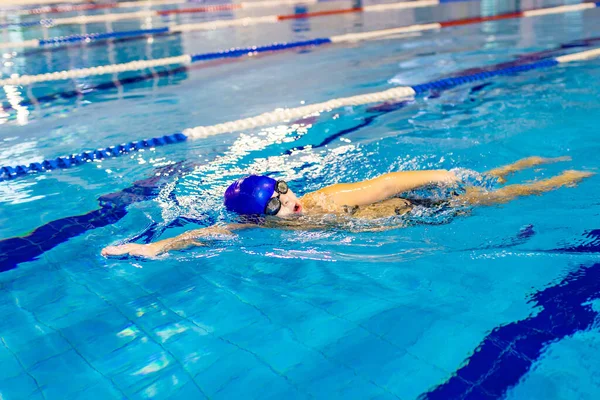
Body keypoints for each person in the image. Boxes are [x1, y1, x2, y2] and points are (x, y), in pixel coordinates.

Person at [102, 156, 593, 258]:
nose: (289, 202)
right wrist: (157, 247)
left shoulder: (325, 200)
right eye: (275, 203)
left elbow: (383, 185)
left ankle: (554, 176)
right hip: (406, 219)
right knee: (491, 191)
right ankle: (526, 167)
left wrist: (441, 177)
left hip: (416, 207)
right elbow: (209, 235)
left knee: (495, 194)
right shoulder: (263, 230)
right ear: (257, 217)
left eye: (284, 190)